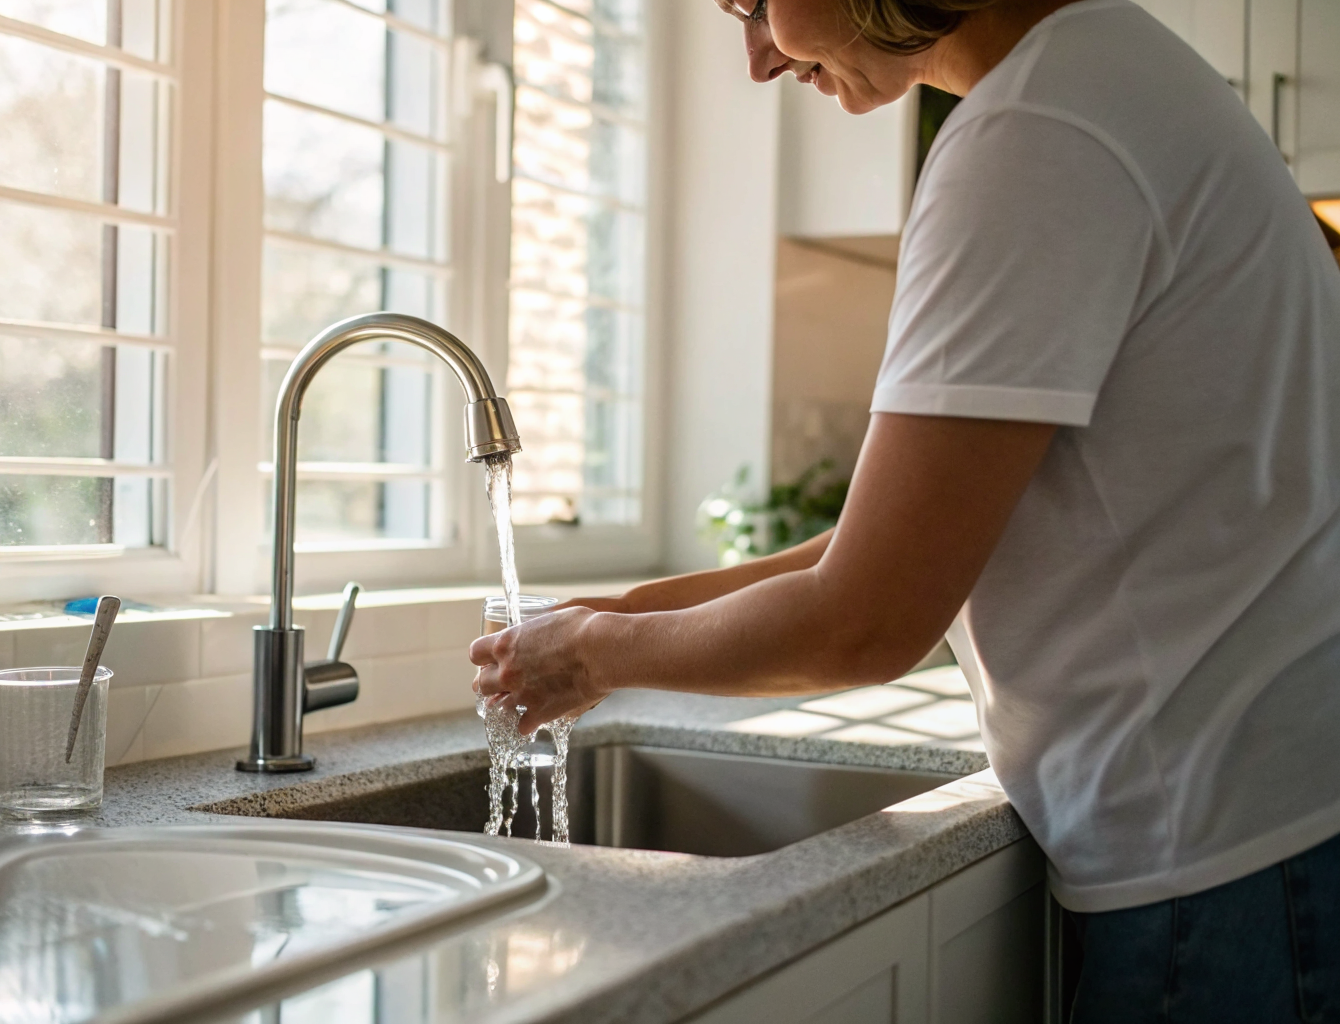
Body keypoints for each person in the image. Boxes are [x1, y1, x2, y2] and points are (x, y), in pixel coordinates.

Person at [470, 0, 1340, 1018]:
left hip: (1221, 864)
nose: (755, 58)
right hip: (1269, 831)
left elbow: (867, 619)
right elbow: (869, 550)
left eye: (753, 3)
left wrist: (592, 656)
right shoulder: (1103, 72)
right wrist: (610, 619)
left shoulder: (1035, 135)